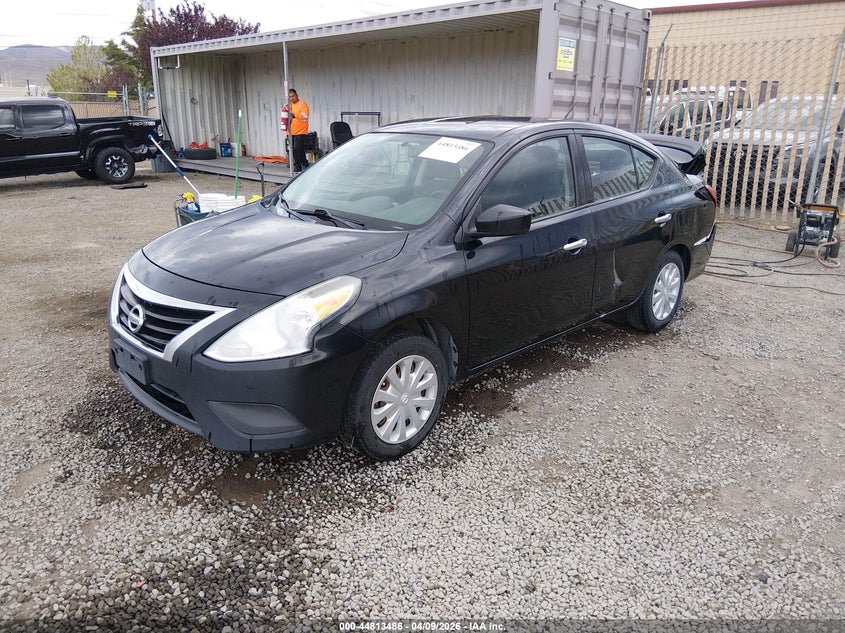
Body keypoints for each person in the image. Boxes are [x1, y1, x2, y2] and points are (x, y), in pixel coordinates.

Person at [288, 89, 310, 173]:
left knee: (299, 148)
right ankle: (297, 167)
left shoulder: (302, 104)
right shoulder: (288, 106)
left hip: (301, 131)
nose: (292, 98)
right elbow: (286, 121)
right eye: (290, 97)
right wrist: (287, 133)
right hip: (292, 132)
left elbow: (305, 116)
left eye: (293, 96)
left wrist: (295, 115)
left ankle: (304, 164)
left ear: (297, 95)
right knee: (293, 149)